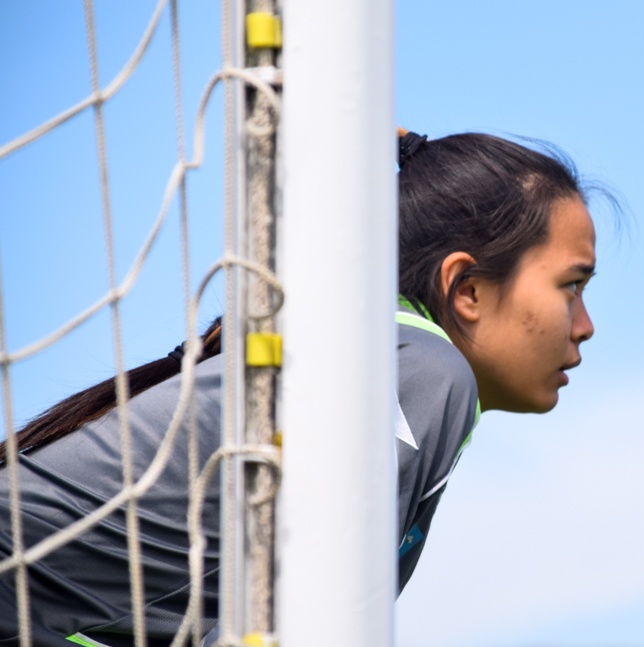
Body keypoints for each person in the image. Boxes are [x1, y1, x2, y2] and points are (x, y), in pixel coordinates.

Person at [0, 130, 602, 646]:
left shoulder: (370, 352)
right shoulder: (421, 367)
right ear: (466, 289)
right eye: (571, 287)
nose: (585, 325)